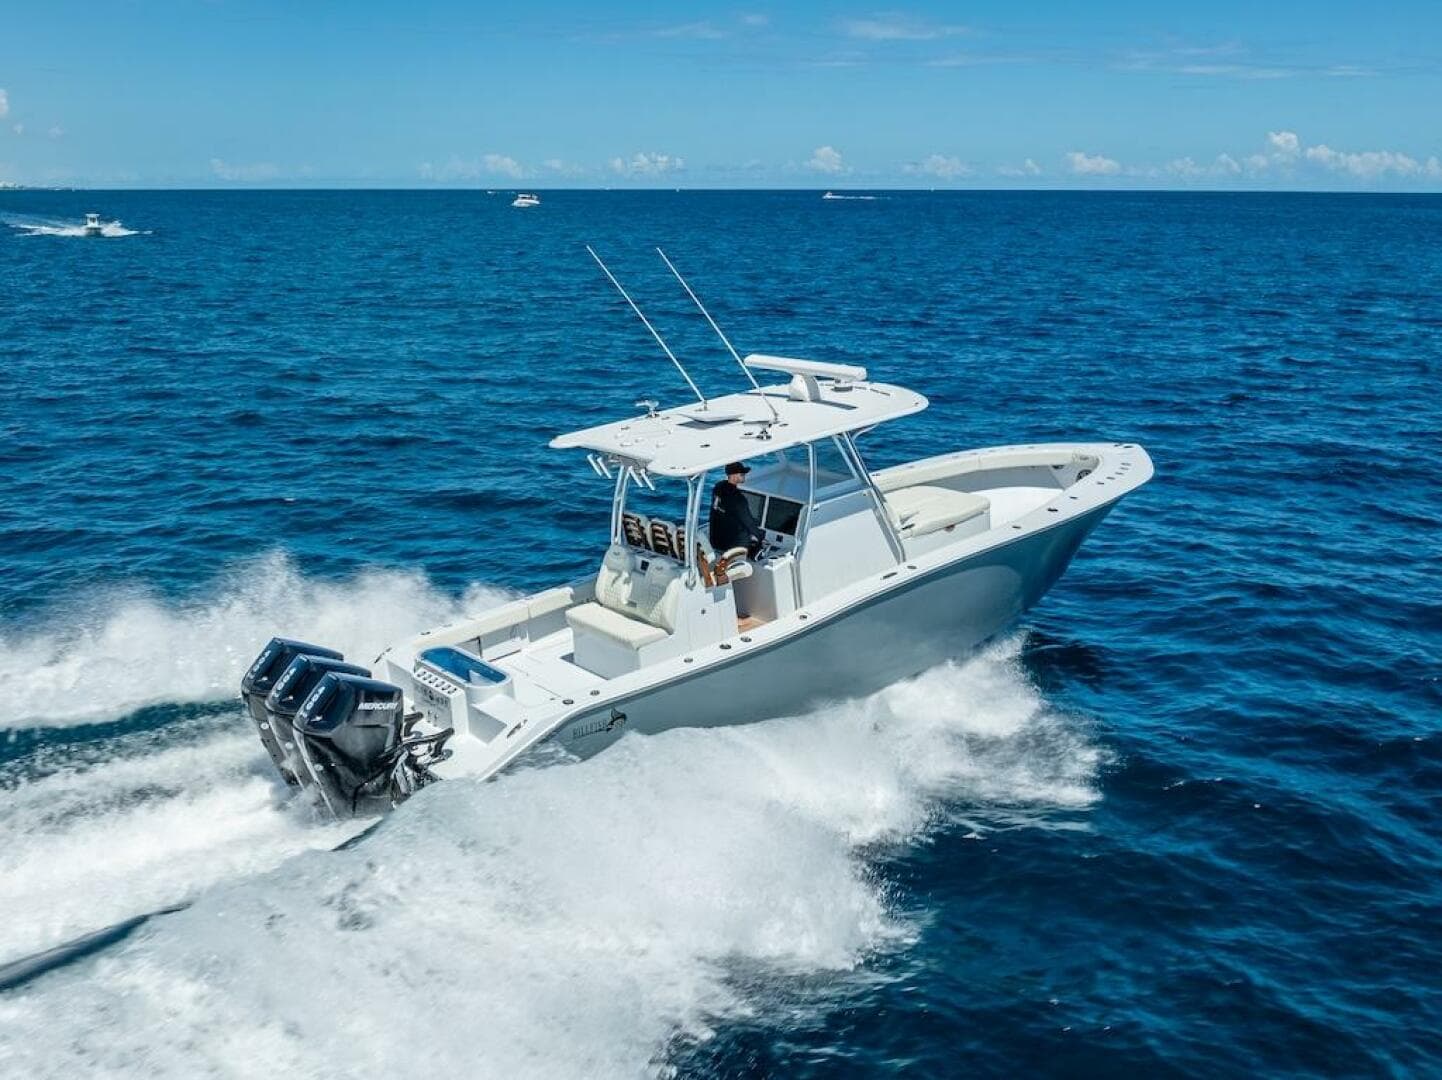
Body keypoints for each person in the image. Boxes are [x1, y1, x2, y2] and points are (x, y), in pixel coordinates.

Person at [709, 461, 765, 559]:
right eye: (742, 474)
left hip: (715, 538)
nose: (744, 476)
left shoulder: (718, 487)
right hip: (730, 544)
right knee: (756, 535)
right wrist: (760, 536)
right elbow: (748, 522)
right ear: (733, 476)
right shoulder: (738, 499)